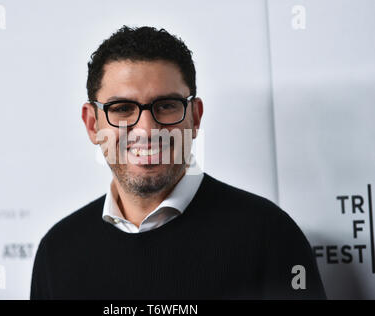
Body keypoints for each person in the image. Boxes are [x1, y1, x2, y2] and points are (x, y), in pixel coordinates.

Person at [30, 26, 326, 299]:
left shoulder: (270, 235)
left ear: (195, 117)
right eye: (122, 108)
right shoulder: (57, 252)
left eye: (167, 106)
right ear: (93, 124)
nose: (146, 130)